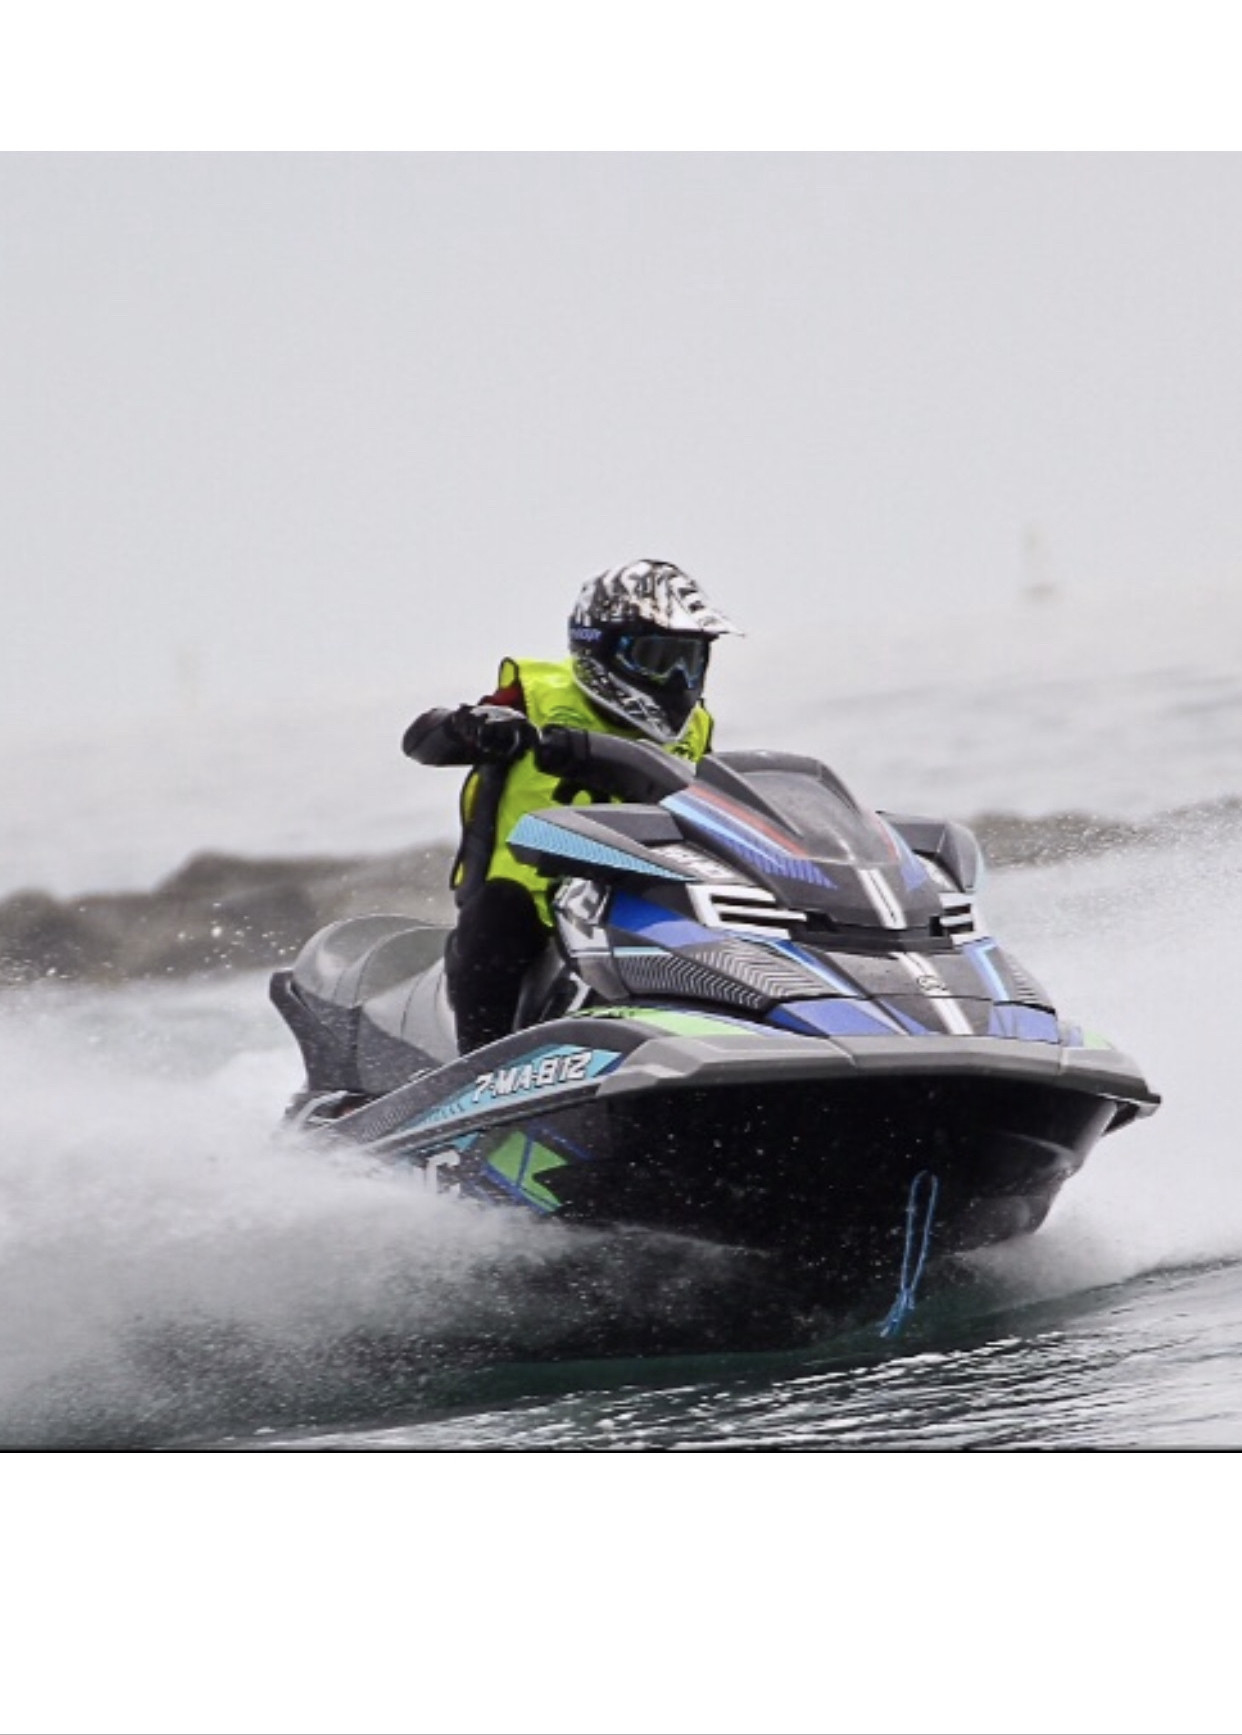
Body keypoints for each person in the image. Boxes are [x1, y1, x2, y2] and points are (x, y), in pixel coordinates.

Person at [402, 558, 742, 1052]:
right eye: (657, 657)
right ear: (599, 648)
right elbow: (424, 740)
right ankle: (477, 1064)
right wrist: (473, 727)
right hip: (532, 898)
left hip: (637, 895)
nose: (676, 677)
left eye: (689, 660)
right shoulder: (534, 695)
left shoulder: (697, 729)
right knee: (498, 916)